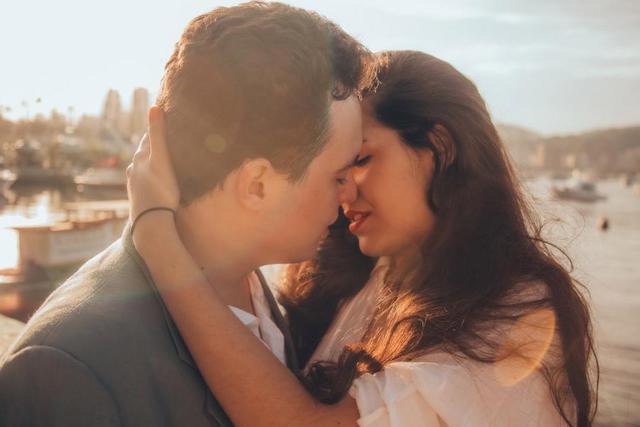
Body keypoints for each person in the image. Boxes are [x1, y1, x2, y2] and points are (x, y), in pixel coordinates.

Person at [128, 51, 598, 426]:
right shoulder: (368, 275)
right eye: (339, 167)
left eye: (363, 159)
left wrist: (154, 232)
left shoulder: (518, 313)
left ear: (439, 147)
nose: (345, 189)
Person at [0, 3, 372, 426]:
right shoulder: (68, 369)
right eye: (338, 176)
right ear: (257, 185)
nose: (349, 194)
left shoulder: (254, 290)